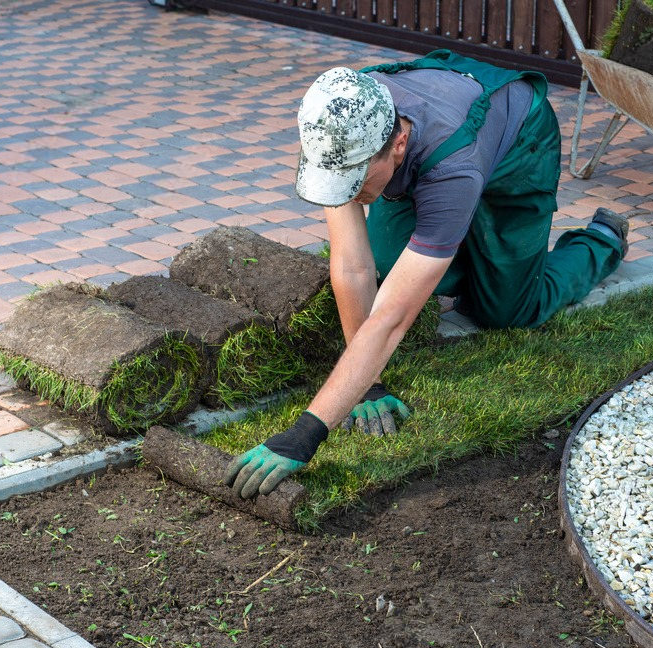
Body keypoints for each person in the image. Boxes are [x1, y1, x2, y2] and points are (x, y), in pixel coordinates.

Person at [224, 50, 628, 499]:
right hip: (442, 139)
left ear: (397, 145)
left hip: (518, 141)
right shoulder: (340, 119)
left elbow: (391, 318)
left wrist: (306, 433)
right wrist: (367, 386)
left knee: (510, 309)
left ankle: (600, 241)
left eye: (356, 181)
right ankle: (460, 243)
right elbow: (353, 264)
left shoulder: (454, 165)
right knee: (387, 260)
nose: (348, 194)